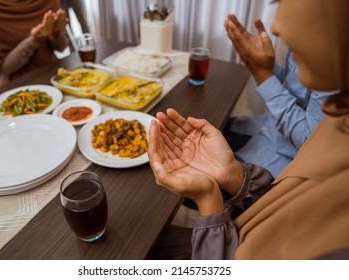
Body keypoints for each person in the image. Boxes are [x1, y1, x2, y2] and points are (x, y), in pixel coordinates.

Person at [149, 0, 349, 260]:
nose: (276, 26)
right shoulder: (338, 120)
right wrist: (233, 175)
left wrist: (210, 202)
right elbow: (282, 205)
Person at [222, 14, 336, 178]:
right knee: (210, 130)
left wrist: (262, 75)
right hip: (269, 129)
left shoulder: (335, 62)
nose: (275, 27)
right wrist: (268, 68)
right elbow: (296, 93)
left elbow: (310, 142)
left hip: (289, 157)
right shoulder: (305, 37)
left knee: (199, 174)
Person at [0, 0, 70, 86]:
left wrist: (55, 34)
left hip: (54, 74)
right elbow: (4, 68)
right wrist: (33, 40)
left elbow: (61, 48)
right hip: (18, 86)